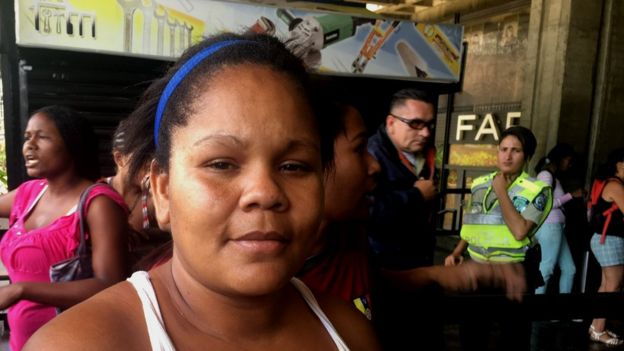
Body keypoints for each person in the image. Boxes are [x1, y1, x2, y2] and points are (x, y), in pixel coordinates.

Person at [24, 33, 380, 351]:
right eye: (221, 164)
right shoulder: (78, 344)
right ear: (162, 190)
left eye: (294, 166)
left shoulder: (350, 332)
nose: (265, 192)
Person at [0, 105, 129, 350]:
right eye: (28, 137)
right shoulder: (29, 193)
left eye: (43, 137)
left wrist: (21, 290)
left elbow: (110, 283)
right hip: (24, 342)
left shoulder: (98, 203)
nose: (30, 145)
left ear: (72, 145)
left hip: (73, 341)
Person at [445, 126, 552, 351]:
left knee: (513, 338)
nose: (507, 155)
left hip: (513, 273)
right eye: (503, 149)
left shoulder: (537, 189)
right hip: (478, 271)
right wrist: (456, 252)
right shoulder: (480, 184)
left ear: (527, 156)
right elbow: (473, 222)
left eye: (516, 150)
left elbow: (520, 231)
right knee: (472, 335)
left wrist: (502, 191)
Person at [366, 88, 441, 349]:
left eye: (429, 125)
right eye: (416, 124)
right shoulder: (372, 156)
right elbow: (367, 212)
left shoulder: (424, 152)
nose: (425, 132)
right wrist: (415, 196)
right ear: (391, 123)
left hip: (417, 266)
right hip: (387, 271)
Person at [104, 119, 170, 270]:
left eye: (154, 160)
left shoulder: (153, 198)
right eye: (142, 161)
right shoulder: (96, 195)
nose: (151, 167)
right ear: (119, 159)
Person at [533, 143, 582, 294]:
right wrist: (571, 195)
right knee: (547, 269)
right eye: (568, 160)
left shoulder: (553, 178)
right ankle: (534, 314)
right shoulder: (545, 175)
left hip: (556, 228)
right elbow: (544, 204)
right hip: (550, 226)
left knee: (569, 269)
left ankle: (561, 311)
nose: (570, 164)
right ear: (560, 159)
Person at [588, 147, 624, 347]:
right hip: (609, 240)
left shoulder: (609, 182)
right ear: (619, 164)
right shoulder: (615, 185)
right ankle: (599, 330)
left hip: (606, 239)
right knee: (613, 286)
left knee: (606, 285)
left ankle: (596, 327)